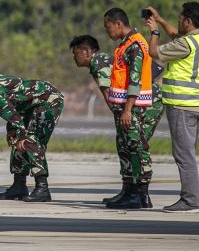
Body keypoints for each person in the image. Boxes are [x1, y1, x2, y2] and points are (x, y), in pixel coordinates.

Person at [71, 34, 165, 207]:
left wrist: (122, 116)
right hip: (143, 101)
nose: (74, 57)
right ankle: (132, 193)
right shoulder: (101, 61)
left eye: (75, 53)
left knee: (135, 142)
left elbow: (109, 96)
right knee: (128, 143)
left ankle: (138, 194)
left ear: (86, 52)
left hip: (149, 102)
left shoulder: (98, 63)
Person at [0, 64, 64, 202]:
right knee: (17, 140)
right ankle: (19, 186)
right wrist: (13, 131)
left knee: (30, 141)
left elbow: (10, 112)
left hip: (48, 101)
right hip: (31, 105)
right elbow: (13, 108)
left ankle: (42, 188)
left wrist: (21, 134)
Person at [145, 2, 199, 213]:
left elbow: (153, 52)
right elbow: (175, 34)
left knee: (184, 156)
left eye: (180, 19)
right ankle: (190, 199)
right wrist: (161, 19)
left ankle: (190, 201)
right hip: (194, 105)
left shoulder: (185, 44)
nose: (177, 22)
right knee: (187, 153)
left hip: (182, 106)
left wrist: (154, 30)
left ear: (188, 22)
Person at [102, 7, 155, 210]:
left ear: (118, 24)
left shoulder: (134, 45)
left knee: (134, 147)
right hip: (125, 106)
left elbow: (135, 81)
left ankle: (138, 194)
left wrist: (127, 110)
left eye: (108, 27)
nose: (107, 31)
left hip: (131, 107)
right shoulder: (126, 44)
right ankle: (132, 192)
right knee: (125, 147)